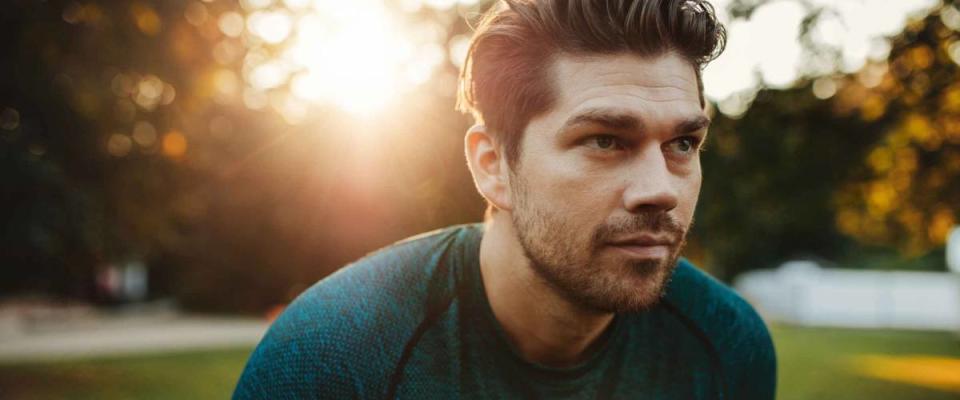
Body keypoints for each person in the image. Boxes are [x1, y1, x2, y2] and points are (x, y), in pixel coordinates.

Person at [233, 0, 776, 398]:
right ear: (492, 165)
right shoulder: (332, 363)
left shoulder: (726, 346)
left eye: (682, 143)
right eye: (605, 141)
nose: (659, 188)